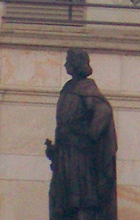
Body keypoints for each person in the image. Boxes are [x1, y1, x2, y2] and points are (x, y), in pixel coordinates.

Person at [46, 49, 117, 220]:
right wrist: (55, 150)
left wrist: (87, 135)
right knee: (64, 203)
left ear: (76, 63)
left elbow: (103, 111)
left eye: (68, 61)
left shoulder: (87, 89)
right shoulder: (69, 88)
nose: (65, 65)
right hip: (65, 154)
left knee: (82, 200)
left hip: (80, 155)